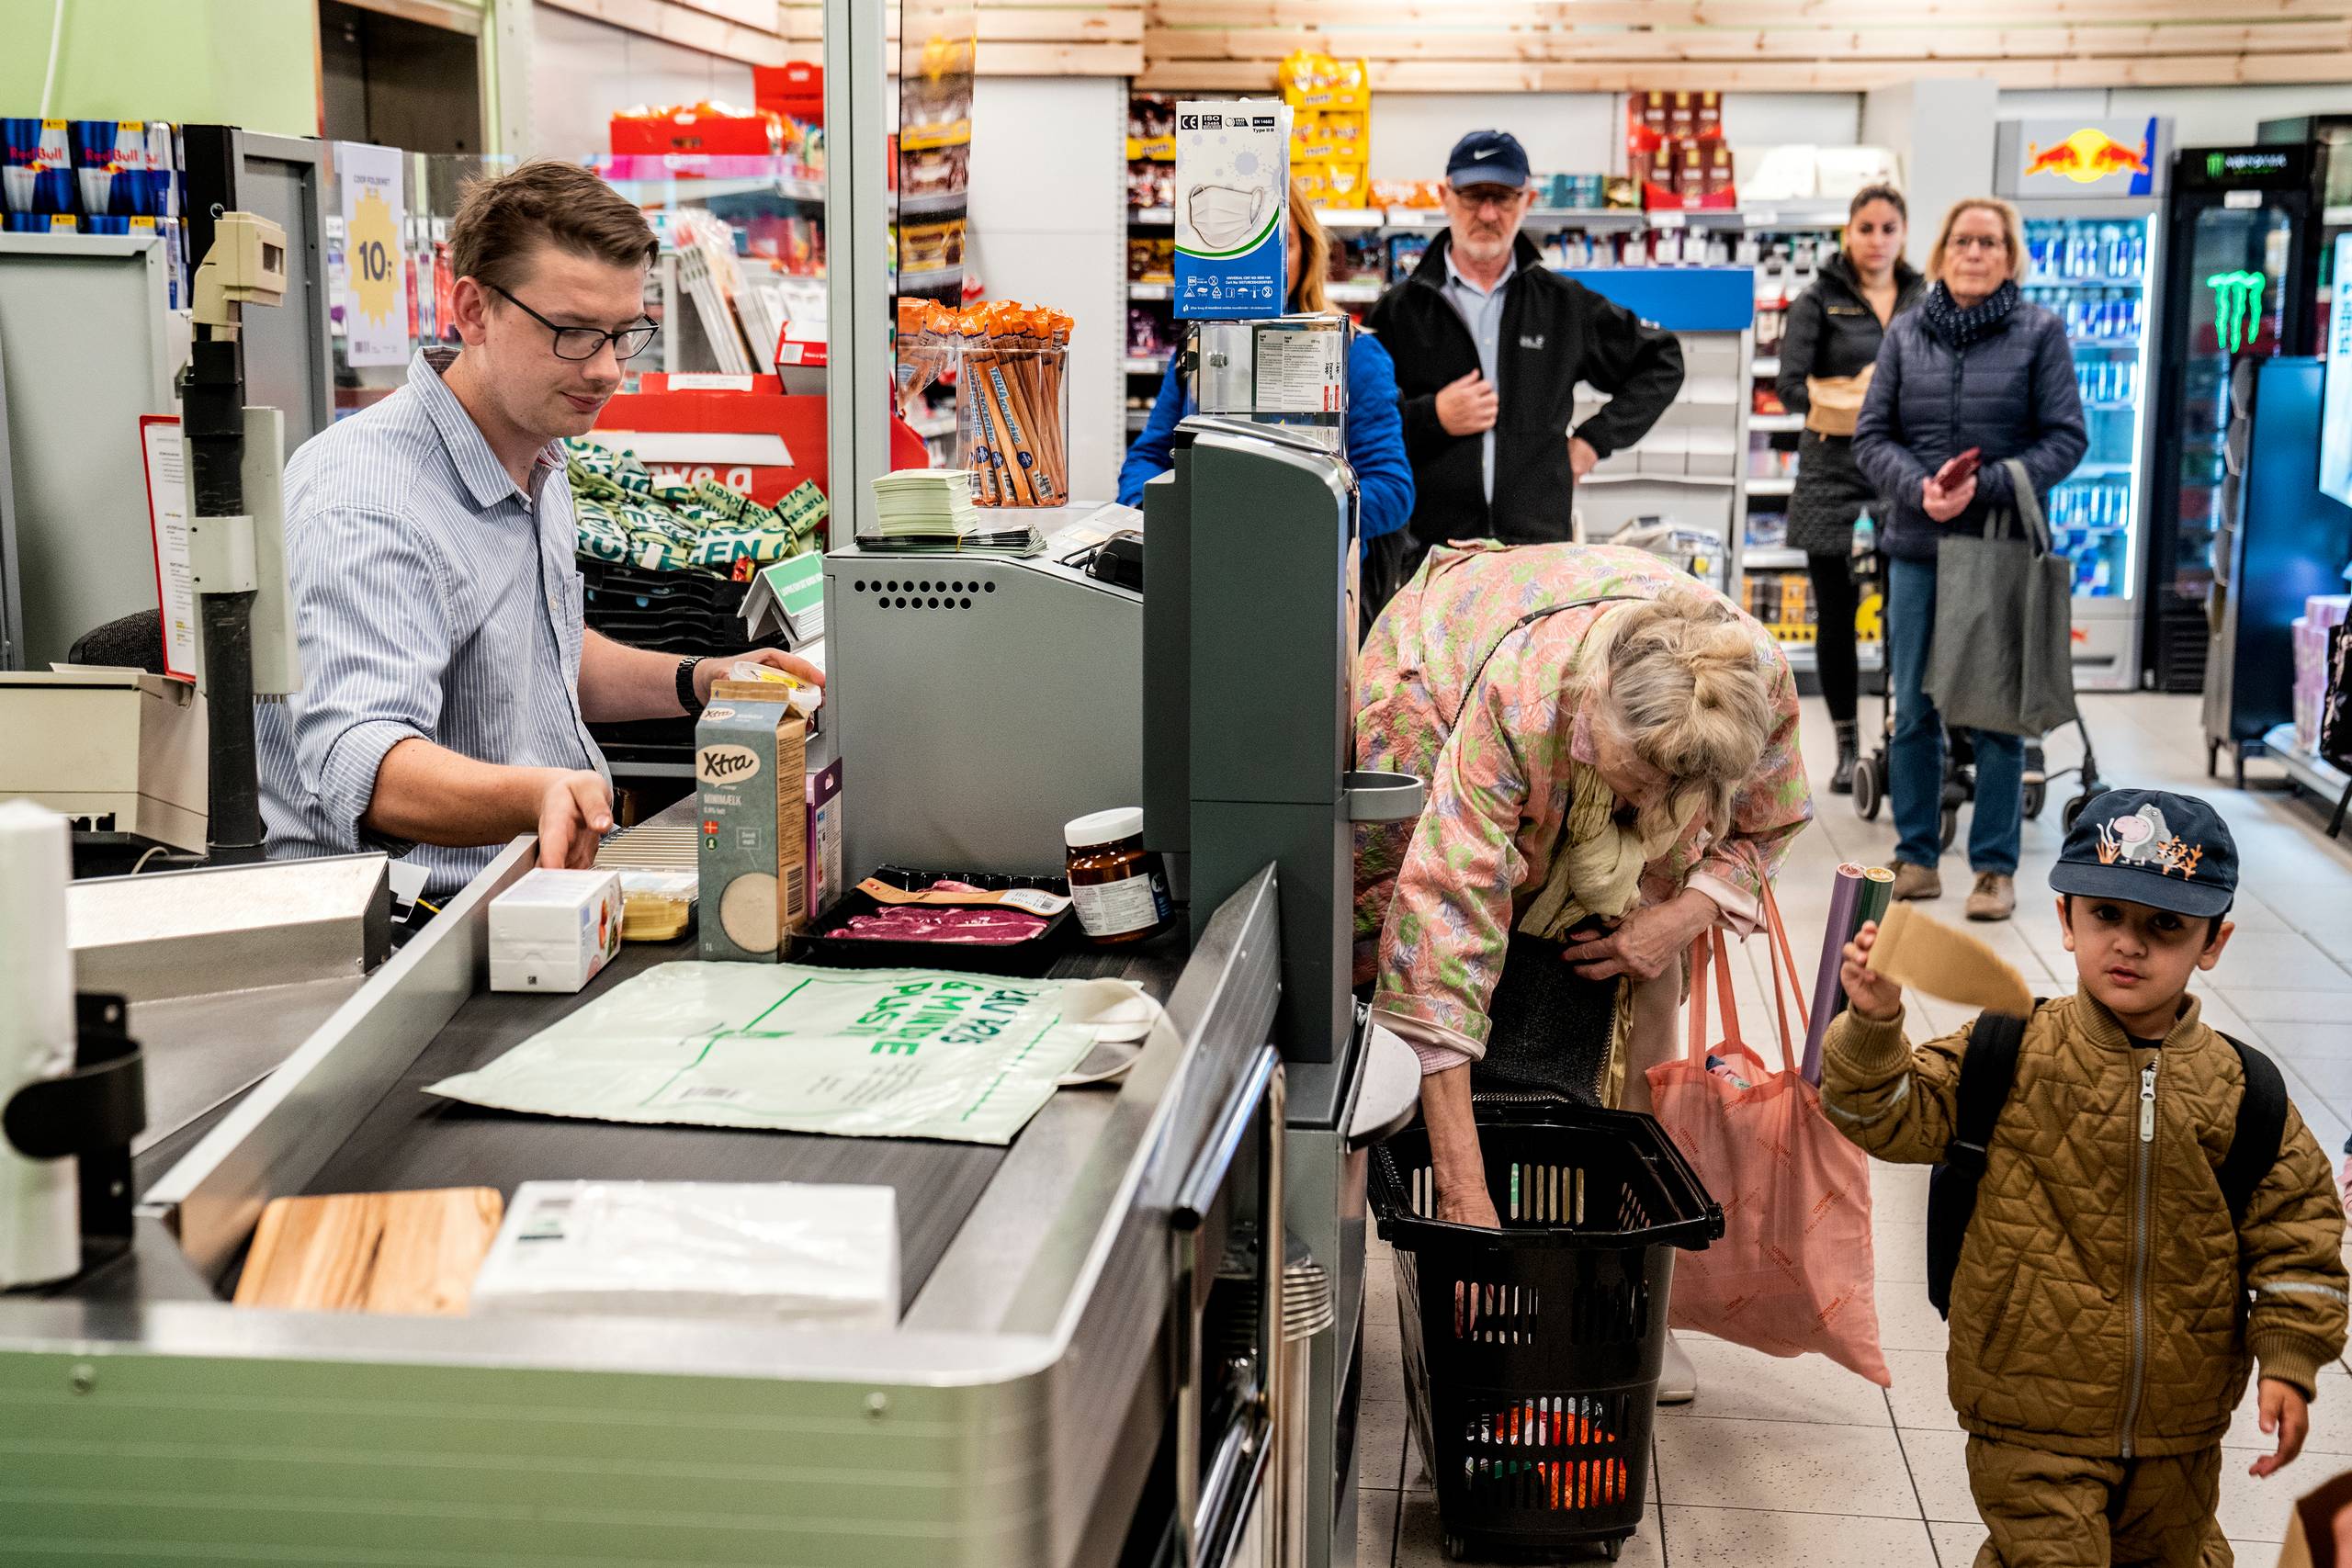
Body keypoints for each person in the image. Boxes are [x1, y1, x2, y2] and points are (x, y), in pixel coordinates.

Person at [254, 161, 821, 902]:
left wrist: (700, 677)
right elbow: (362, 763)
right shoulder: (367, 501)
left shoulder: (534, 454)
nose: (609, 370)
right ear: (474, 309)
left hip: (537, 896)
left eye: (625, 334)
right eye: (576, 334)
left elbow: (543, 651)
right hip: (408, 928)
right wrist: (537, 794)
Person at [1825, 790, 2347, 1568]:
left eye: (2165, 924)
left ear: (2214, 941)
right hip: (2025, 1408)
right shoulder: (2009, 1047)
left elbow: (2298, 1232)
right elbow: (1882, 1113)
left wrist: (2292, 1357)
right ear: (2067, 920)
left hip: (2183, 1424)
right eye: (2108, 914)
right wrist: (1872, 1022)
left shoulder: (2246, 1090)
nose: (2129, 944)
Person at [1355, 540, 1811, 1400]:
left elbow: (1774, 819)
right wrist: (1464, 1196)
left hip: (1626, 726)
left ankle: (1634, 1288)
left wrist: (1677, 916)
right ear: (1596, 706)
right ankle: (1443, 1215)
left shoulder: (1758, 686)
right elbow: (1440, 935)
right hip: (1441, 666)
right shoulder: (1523, 696)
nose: (1637, 809)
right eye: (1624, 782)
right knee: (1404, 919)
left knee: (1648, 946)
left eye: (1658, 797)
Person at [1853, 196, 2086, 921]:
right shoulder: (1907, 332)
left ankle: (1994, 869)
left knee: (1997, 711)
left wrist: (1978, 487)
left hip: (1998, 545)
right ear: (1941, 252)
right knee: (1915, 707)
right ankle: (1917, 857)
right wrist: (1919, 488)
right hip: (1917, 545)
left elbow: (2066, 437)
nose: (1975, 253)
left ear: (2010, 254)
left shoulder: (2040, 333)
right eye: (1962, 241)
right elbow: (1871, 436)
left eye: (1990, 242)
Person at [1363, 131, 1683, 571]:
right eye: (1474, 197)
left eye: (1504, 198)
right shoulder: (1399, 313)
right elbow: (1362, 427)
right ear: (1445, 197)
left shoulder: (1563, 305)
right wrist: (1433, 416)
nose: (1489, 213)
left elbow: (1662, 360)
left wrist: (1593, 441)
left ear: (1527, 201)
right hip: (1432, 556)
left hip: (1539, 555)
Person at [1119, 177, 1416, 630]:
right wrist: (1161, 511)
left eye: (1284, 244)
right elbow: (1150, 455)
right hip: (1202, 582)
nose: (1266, 262)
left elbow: (1393, 490)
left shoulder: (1355, 354)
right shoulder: (1199, 348)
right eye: (1249, 245)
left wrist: (1291, 517)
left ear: (1308, 253)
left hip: (1315, 595)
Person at [1774, 184, 1923, 795]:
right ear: (1847, 233)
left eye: (1889, 228)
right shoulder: (1818, 300)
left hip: (1903, 471)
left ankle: (1900, 737)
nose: (1878, 240)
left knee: (1905, 612)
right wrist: (1860, 396)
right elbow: (1789, 387)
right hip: (1833, 472)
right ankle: (1844, 745)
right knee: (1836, 613)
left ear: (1904, 234)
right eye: (1866, 228)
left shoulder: (1925, 297)